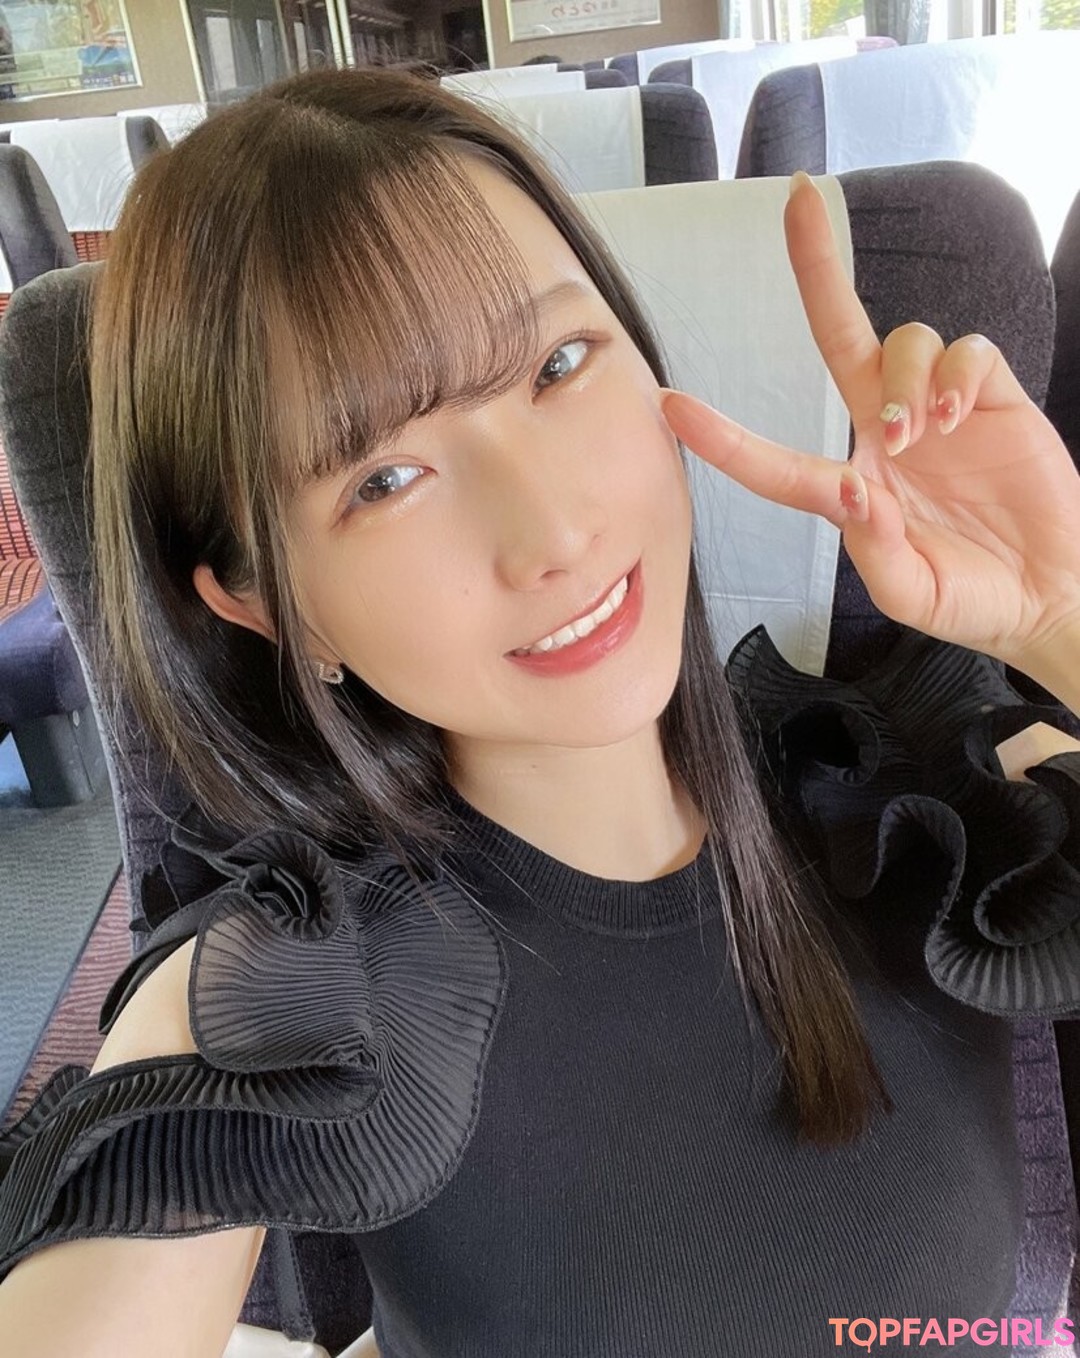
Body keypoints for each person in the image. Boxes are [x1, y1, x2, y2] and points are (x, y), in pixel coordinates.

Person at [2, 67, 1080, 1358]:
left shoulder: (926, 800)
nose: (553, 531)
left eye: (559, 365)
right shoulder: (290, 991)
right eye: (383, 478)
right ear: (263, 605)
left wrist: (1056, 616)